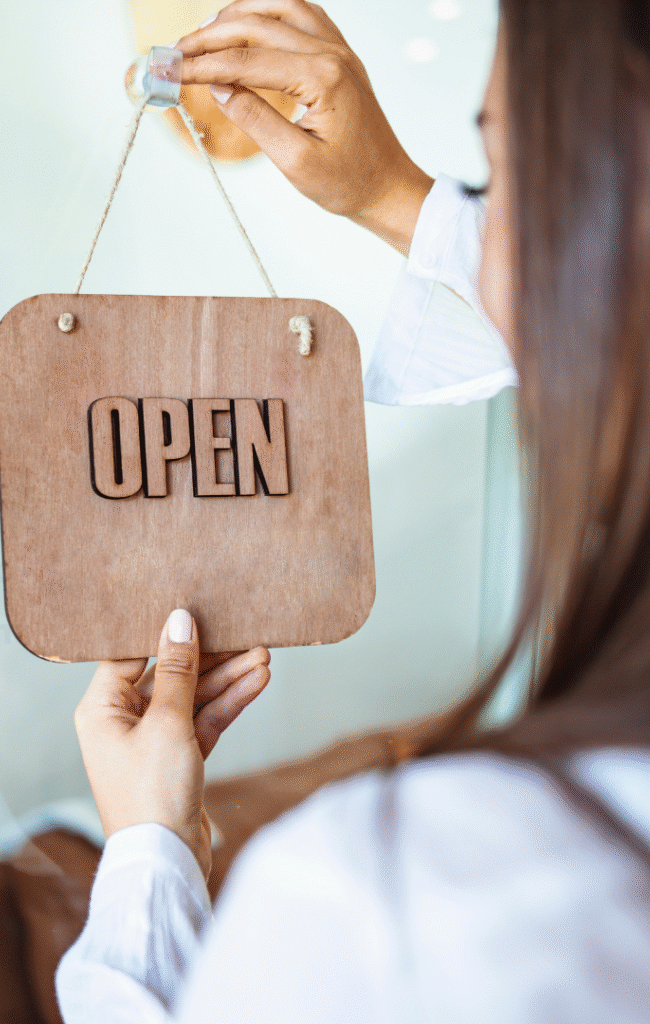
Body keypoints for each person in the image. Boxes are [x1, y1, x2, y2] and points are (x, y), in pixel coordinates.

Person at [56, 1, 650, 1021]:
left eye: (492, 178)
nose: (475, 240)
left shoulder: (387, 900)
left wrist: (150, 853)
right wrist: (386, 192)